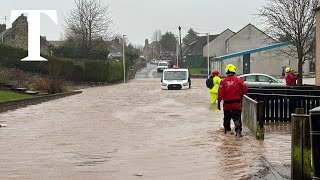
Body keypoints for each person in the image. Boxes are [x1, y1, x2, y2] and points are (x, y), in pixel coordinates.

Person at [218, 64, 248, 137]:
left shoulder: (223, 81)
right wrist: (239, 93)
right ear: (234, 70)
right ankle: (238, 132)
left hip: (227, 105)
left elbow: (220, 93)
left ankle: (227, 132)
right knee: (237, 118)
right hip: (236, 104)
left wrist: (218, 102)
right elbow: (245, 90)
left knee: (226, 119)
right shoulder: (239, 80)